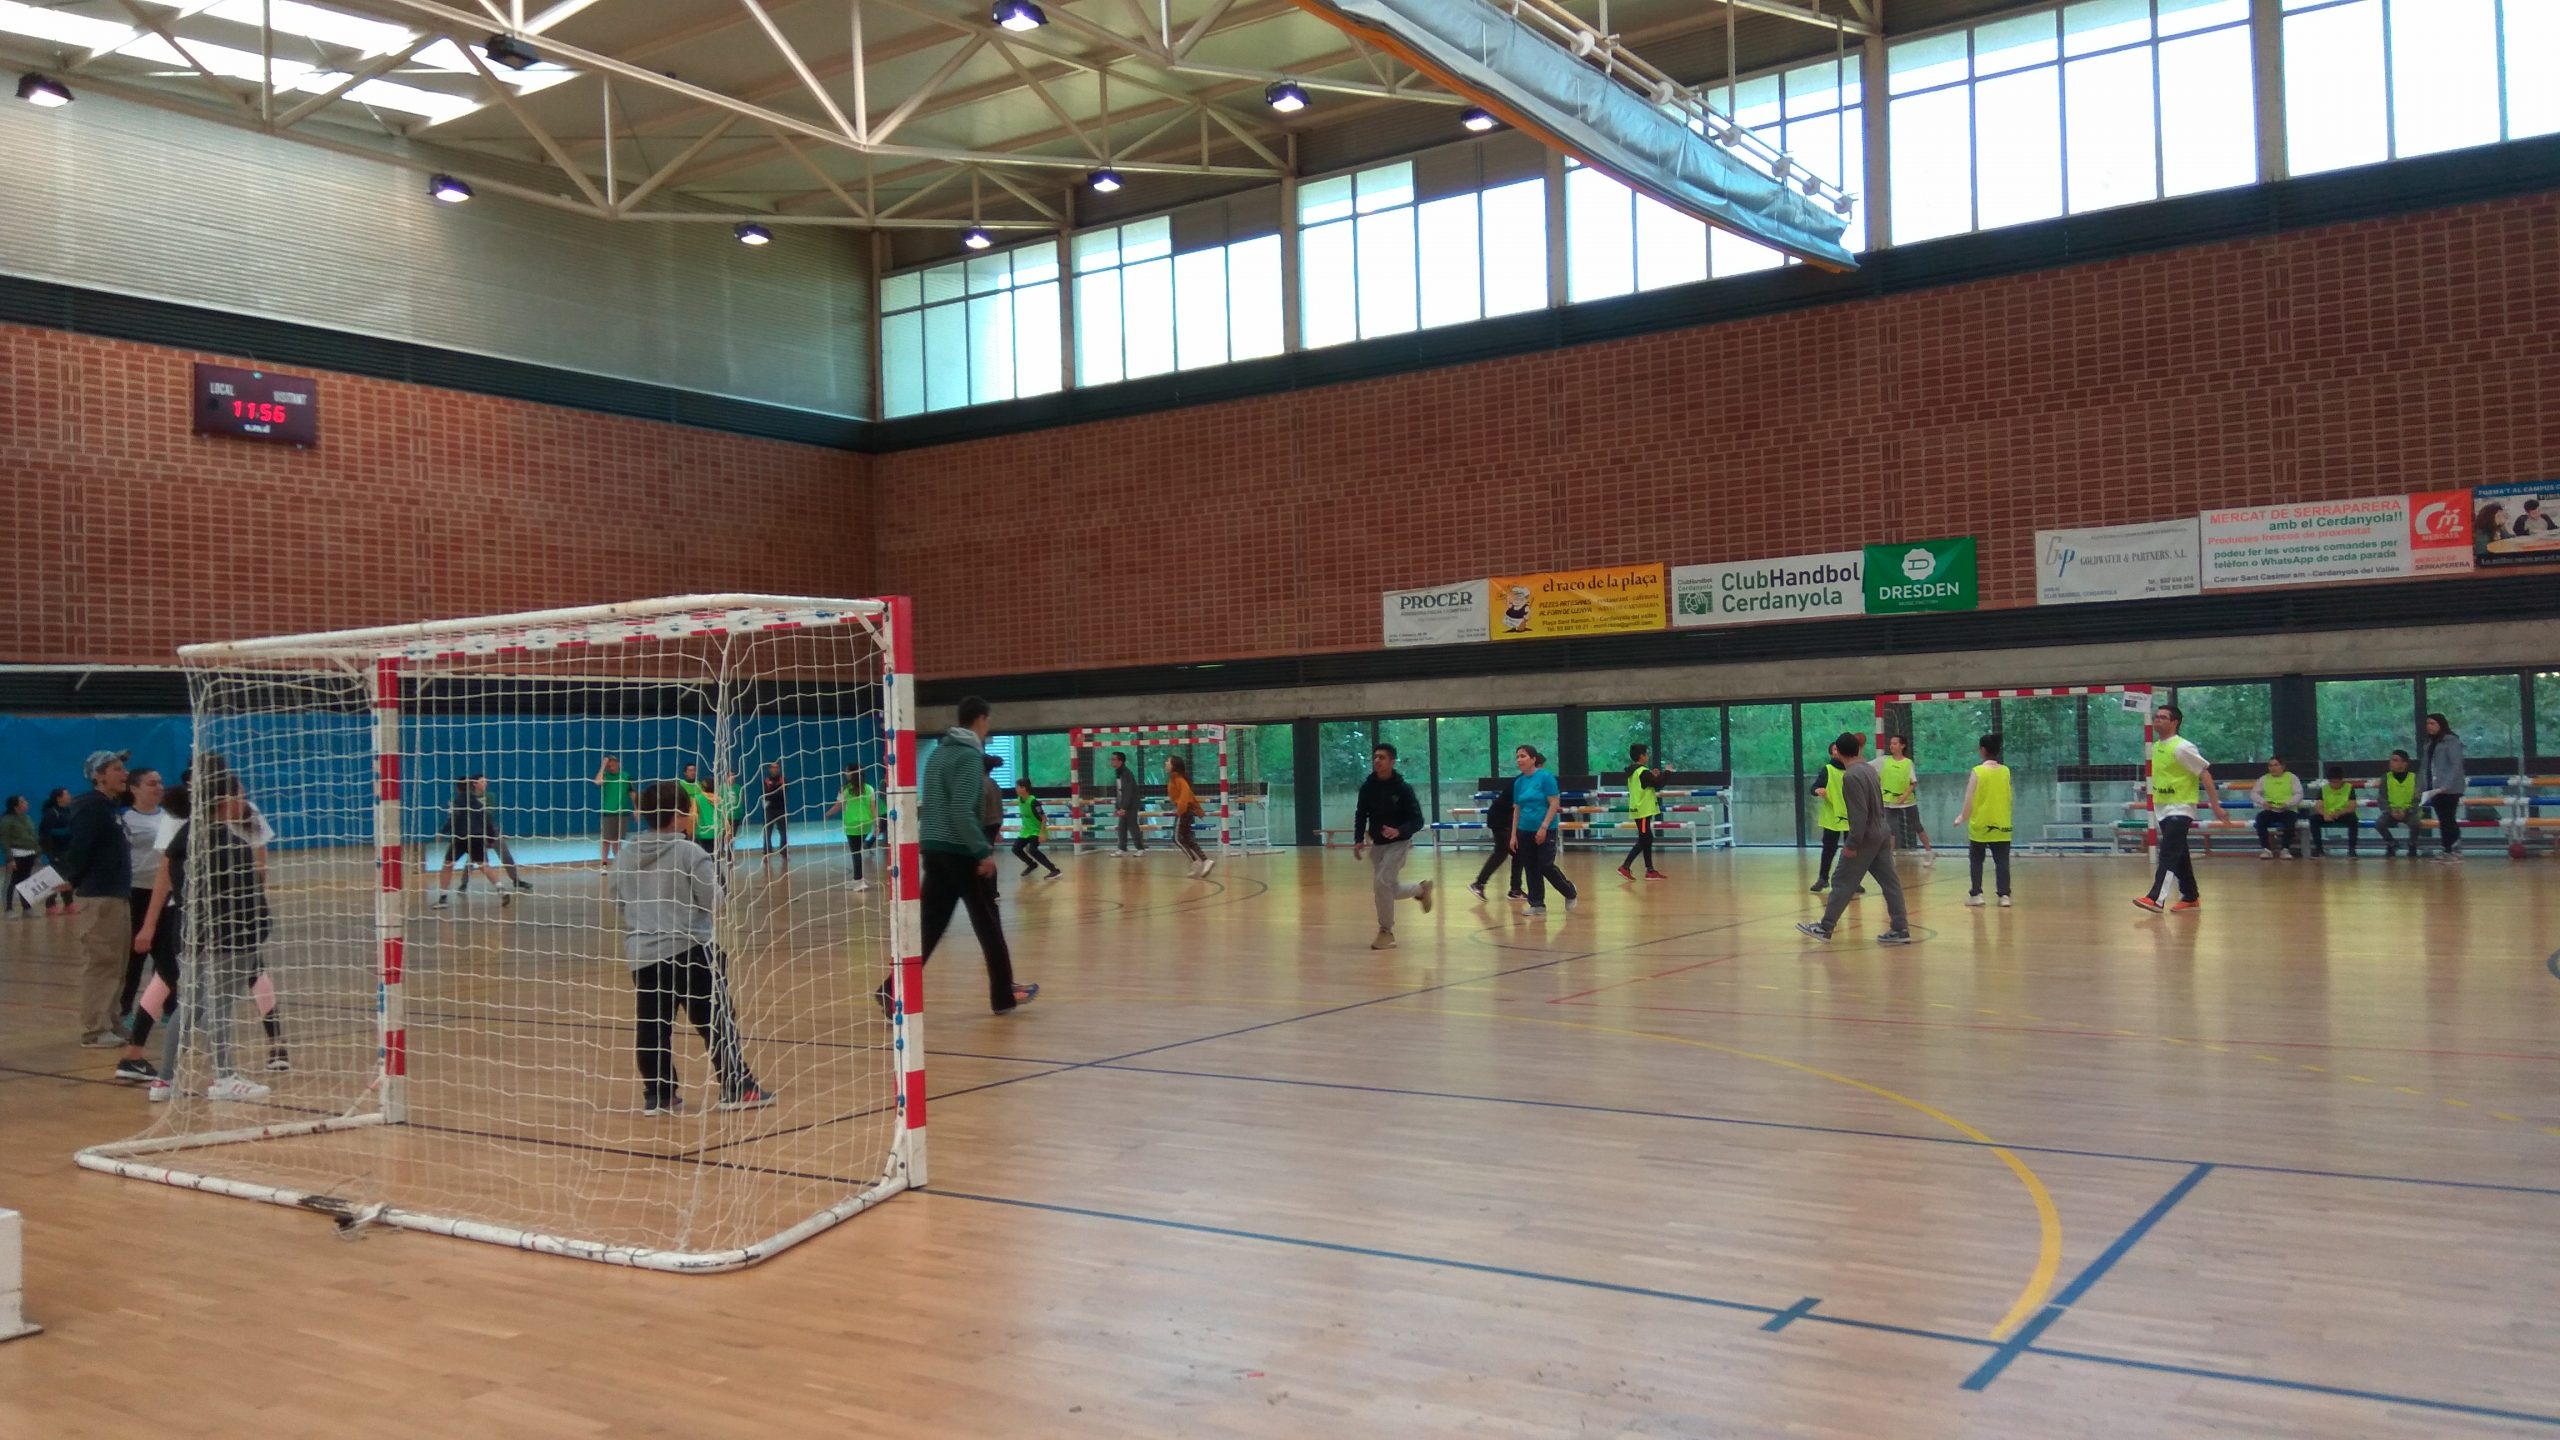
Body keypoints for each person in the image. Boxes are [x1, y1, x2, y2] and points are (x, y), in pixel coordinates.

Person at [607, 780, 774, 1117]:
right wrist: (718, 881)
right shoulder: (690, 852)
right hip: (690, 950)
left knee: (653, 1026)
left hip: (643, 954)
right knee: (716, 1020)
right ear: (678, 815)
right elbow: (713, 901)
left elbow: (618, 900)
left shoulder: (624, 854)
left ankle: (659, 1095)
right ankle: (737, 1086)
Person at [876, 696, 1036, 1018]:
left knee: (929, 928)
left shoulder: (938, 753)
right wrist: (981, 852)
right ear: (981, 719)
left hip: (934, 849)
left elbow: (935, 805)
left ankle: (891, 990)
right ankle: (1003, 995)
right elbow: (962, 810)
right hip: (960, 852)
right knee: (988, 923)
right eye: (987, 721)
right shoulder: (968, 756)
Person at [171, 769, 275, 1102]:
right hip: (224, 938)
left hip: (196, 934)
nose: (243, 800)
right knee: (216, 1008)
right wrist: (259, 927)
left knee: (194, 1007)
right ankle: (224, 1076)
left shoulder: (189, 837)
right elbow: (247, 895)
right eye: (239, 794)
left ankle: (164, 1080)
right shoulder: (228, 844)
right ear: (224, 800)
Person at [1795, 733, 1912, 945]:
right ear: (1858, 749)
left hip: (1866, 836)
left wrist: (1852, 844)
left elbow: (1859, 815)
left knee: (1841, 880)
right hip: (1882, 831)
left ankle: (1825, 927)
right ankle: (1900, 928)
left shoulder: (1851, 776)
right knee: (1890, 882)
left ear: (1838, 752)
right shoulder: (1869, 770)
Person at [56, 750, 136, 1048]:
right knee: (101, 962)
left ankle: (111, 1020)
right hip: (100, 896)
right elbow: (81, 848)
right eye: (116, 769)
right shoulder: (91, 806)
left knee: (117, 962)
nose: (124, 774)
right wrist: (72, 877)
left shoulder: (109, 807)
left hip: (116, 893)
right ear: (98, 776)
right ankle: (94, 1029)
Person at [125, 781, 190, 1095]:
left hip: (190, 915)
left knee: (166, 980)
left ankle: (134, 1056)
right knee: (180, 985)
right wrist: (149, 925)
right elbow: (163, 875)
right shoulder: (176, 825)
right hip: (179, 915)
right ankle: (159, 1071)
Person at [2134, 703, 2229, 914]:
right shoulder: (2155, 747)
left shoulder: (2183, 747)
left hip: (2181, 807)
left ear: (2174, 722)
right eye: (2156, 716)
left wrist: (2215, 805)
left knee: (2168, 853)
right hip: (2163, 807)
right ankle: (2190, 896)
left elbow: (2205, 774)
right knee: (2179, 854)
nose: (2157, 720)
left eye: (2163, 717)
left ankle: (2156, 898)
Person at [1352, 743, 1434, 949]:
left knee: (1381, 885)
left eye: (1382, 757)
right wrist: (1358, 839)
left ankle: (1386, 932)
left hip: (1398, 843)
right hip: (1377, 845)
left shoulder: (1403, 789)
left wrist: (1399, 831)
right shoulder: (1368, 787)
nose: (1377, 760)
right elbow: (1361, 814)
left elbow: (1417, 820)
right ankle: (1420, 889)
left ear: (1392, 762)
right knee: (1387, 888)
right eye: (1375, 757)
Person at [115, 767, 169, 1037]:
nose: (158, 787)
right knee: (135, 957)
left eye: (160, 782)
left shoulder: (169, 816)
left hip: (167, 893)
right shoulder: (125, 819)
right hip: (137, 893)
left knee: (167, 954)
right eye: (151, 783)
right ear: (134, 788)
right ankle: (125, 1010)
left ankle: (168, 1007)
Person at [1510, 746, 1577, 916]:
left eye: (1523, 756)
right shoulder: (1519, 783)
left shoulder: (1546, 777)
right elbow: (1517, 809)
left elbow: (1554, 803)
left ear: (1533, 759)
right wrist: (1513, 835)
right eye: (1517, 757)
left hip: (1546, 829)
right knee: (1530, 867)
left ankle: (1569, 891)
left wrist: (1544, 827)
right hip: (1524, 830)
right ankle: (1537, 904)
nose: (1519, 760)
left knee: (1545, 865)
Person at [1951, 733, 2013, 908]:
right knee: (2002, 861)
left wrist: (1962, 816)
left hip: (1980, 823)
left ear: (1982, 750)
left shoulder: (1977, 771)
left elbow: (1969, 798)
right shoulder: (2006, 771)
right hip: (2002, 823)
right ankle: (2004, 896)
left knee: (1977, 860)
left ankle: (1976, 894)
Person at [434, 775, 512, 907]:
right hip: (477, 837)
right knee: (484, 865)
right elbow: (487, 821)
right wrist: (490, 838)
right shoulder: (478, 803)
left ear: (458, 788)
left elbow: (453, 819)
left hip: (460, 838)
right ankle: (501, 889)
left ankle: (443, 898)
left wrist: (442, 831)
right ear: (472, 787)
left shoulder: (457, 802)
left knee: (448, 865)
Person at [1879, 734, 1935, 868]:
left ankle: (1929, 852)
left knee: (1917, 825)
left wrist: (1904, 795)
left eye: (1895, 743)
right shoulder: (1884, 761)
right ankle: (1889, 857)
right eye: (1891, 743)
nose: (1892, 746)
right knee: (1890, 829)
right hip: (1889, 801)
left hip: (1907, 801)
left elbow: (1913, 783)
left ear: (1902, 746)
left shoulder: (1908, 763)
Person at [1617, 743, 1668, 881]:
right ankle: (1625, 866)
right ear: (1642, 756)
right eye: (1646, 754)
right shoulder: (1642, 771)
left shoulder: (1634, 771)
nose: (1648, 756)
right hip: (1643, 810)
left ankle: (1650, 870)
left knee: (1646, 838)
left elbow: (1649, 782)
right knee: (1645, 839)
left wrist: (1654, 776)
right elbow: (1658, 784)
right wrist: (1667, 773)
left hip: (1639, 809)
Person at [826, 763, 880, 892]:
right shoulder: (869, 788)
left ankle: (859, 881)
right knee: (858, 851)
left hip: (852, 825)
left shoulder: (845, 790)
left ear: (851, 774)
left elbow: (838, 806)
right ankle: (856, 879)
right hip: (866, 824)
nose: (845, 774)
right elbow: (873, 808)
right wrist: (877, 825)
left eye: (846, 771)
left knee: (855, 852)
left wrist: (827, 814)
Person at [1468, 772, 1521, 901]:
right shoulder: (1523, 780)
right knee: (1502, 852)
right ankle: (1479, 884)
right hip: (1501, 819)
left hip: (1503, 818)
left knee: (1517, 852)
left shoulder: (1527, 779)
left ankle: (1515, 889)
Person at [2421, 712, 2466, 863]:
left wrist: (2446, 785)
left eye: (2432, 723)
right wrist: (2423, 785)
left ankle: (2455, 850)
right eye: (2427, 724)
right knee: (2442, 819)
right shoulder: (2429, 743)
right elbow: (2426, 766)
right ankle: (2446, 849)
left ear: (2441, 725)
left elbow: (2456, 765)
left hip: (2450, 788)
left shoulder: (2451, 741)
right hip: (2434, 787)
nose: (2429, 727)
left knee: (2449, 818)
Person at [1809, 748, 1851, 894]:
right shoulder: (1828, 770)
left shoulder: (1852, 770)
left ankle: (1852, 880)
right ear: (1831, 753)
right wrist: (1817, 790)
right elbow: (1814, 787)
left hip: (1851, 816)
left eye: (1839, 749)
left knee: (1851, 850)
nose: (1837, 752)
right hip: (1832, 816)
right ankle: (1823, 878)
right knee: (1828, 849)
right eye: (1834, 749)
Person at [2249, 756, 2306, 860]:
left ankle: (2285, 849)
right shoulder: (2264, 778)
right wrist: (2263, 802)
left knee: (2290, 823)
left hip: (2288, 810)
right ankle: (2266, 849)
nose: (2273, 768)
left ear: (2283, 766)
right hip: (2271, 810)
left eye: (2276, 765)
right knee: (2260, 819)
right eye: (2270, 766)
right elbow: (2254, 793)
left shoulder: (2292, 777)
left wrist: (2288, 803)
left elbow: (2299, 794)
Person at [1166, 755, 1214, 878]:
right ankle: (1205, 860)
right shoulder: (1174, 778)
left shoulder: (1179, 779)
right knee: (1187, 839)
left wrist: (1180, 810)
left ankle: (1195, 861)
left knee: (1176, 839)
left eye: (1168, 761)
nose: (1165, 763)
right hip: (1185, 811)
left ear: (1174, 765)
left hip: (1184, 812)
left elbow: (1186, 796)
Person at [2374, 750, 2422, 859]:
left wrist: (2406, 810)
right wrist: (2390, 810)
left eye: (2395, 760)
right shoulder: (2385, 777)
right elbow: (2382, 797)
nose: (2391, 762)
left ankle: (2412, 844)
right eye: (2391, 760)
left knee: (2415, 822)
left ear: (2404, 763)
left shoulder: (2415, 778)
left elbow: (2417, 798)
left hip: (2409, 811)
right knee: (2379, 824)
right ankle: (2391, 843)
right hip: (2391, 811)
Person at [37, 786, 76, 916]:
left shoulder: (69, 811)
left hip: (69, 851)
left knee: (67, 877)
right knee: (56, 878)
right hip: (57, 852)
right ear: (59, 798)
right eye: (66, 794)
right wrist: (51, 854)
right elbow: (43, 835)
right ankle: (50, 904)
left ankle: (68, 903)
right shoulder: (51, 814)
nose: (69, 796)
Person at [1012, 778, 1061, 879]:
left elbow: (1044, 818)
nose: (1015, 789)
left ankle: (1054, 870)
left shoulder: (1034, 802)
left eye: (1017, 787)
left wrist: (1042, 833)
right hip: (1026, 831)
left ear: (1024, 788)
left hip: (1036, 831)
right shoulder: (1020, 800)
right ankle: (1031, 864)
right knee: (1016, 849)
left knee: (1033, 850)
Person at [2310, 764, 2361, 858]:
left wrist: (2339, 813)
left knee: (2353, 819)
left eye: (2336, 782)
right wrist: (2325, 814)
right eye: (2331, 782)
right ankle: (2319, 849)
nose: (2333, 785)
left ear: (2341, 780)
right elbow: (2318, 806)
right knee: (2313, 819)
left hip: (2343, 814)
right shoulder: (2324, 789)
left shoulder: (2349, 788)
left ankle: (2352, 850)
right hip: (2328, 814)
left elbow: (2352, 806)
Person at [2, 795, 38, 918]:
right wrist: (10, 859)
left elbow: (33, 836)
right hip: (16, 855)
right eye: (23, 801)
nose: (26, 803)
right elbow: (4, 839)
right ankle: (8, 909)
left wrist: (37, 852)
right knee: (12, 882)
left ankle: (27, 908)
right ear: (15, 806)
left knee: (26, 882)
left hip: (29, 854)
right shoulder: (7, 820)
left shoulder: (27, 818)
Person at [594, 756, 633, 864]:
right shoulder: (605, 776)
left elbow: (632, 792)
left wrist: (636, 808)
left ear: (618, 764)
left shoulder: (626, 776)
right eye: (609, 766)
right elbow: (597, 782)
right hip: (608, 812)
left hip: (622, 812)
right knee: (606, 840)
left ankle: (618, 862)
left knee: (617, 840)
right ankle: (604, 863)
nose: (611, 767)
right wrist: (603, 766)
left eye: (613, 765)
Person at [979, 753, 1008, 898]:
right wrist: (998, 829)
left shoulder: (981, 784)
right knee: (987, 856)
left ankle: (988, 890)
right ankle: (992, 890)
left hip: (985, 825)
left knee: (983, 857)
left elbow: (981, 808)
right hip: (995, 823)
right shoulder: (994, 783)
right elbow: (999, 807)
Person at [1110, 751, 1145, 856]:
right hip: (1124, 805)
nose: (1111, 761)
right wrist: (1118, 807)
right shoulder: (1118, 773)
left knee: (1132, 826)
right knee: (1122, 827)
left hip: (1131, 805)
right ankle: (1122, 848)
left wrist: (1124, 807)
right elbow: (1119, 792)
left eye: (1113, 759)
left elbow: (1128, 791)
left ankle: (1140, 848)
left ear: (1120, 761)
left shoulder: (1126, 773)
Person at [759, 762, 790, 864]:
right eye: (773, 767)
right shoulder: (766, 781)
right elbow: (766, 795)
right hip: (769, 810)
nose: (775, 769)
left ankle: (784, 852)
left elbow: (782, 794)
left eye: (777, 767)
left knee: (783, 832)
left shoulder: (783, 780)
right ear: (770, 769)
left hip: (781, 810)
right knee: (767, 833)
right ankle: (767, 853)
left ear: (779, 768)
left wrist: (773, 792)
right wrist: (777, 791)